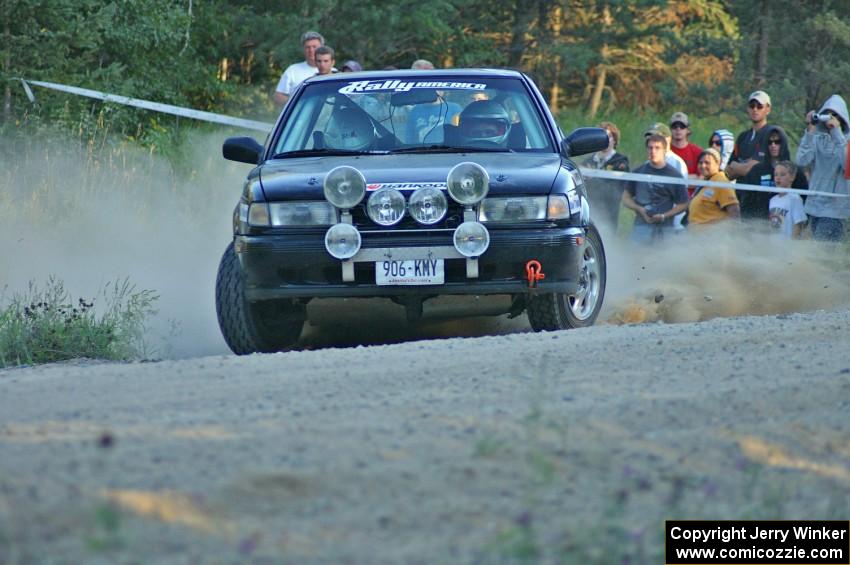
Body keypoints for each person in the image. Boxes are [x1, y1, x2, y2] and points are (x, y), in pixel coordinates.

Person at [796, 94, 850, 241]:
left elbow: (847, 166)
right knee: (813, 253)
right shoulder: (817, 137)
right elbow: (801, 161)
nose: (830, 118)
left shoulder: (847, 140)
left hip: (834, 210)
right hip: (814, 206)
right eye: (827, 114)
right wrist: (810, 130)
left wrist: (837, 133)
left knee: (822, 253)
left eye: (835, 115)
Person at [621, 134, 689, 243]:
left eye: (657, 148)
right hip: (641, 227)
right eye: (650, 147)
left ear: (664, 150)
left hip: (665, 229)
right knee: (634, 257)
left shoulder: (674, 175)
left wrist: (664, 216)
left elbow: (684, 204)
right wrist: (639, 209)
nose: (653, 151)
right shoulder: (638, 172)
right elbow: (625, 198)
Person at [738, 126, 808, 220]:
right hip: (759, 225)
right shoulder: (757, 170)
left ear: (783, 144)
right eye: (769, 142)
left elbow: (803, 199)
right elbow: (747, 200)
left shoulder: (795, 171)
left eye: (777, 142)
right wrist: (748, 223)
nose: (773, 145)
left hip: (787, 224)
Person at [581, 121, 630, 228]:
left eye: (609, 136)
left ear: (615, 140)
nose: (606, 140)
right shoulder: (588, 162)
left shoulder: (621, 163)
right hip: (589, 213)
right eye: (602, 137)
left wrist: (592, 178)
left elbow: (615, 191)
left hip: (609, 215)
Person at [687, 148, 740, 229]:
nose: (703, 166)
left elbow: (734, 213)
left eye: (707, 163)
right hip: (697, 237)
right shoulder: (707, 181)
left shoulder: (721, 182)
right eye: (700, 163)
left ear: (718, 164)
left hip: (713, 237)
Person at [726, 90, 772, 180]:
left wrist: (735, 165)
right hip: (741, 191)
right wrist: (743, 166)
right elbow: (729, 173)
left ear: (768, 109)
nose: (755, 109)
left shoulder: (770, 134)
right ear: (748, 109)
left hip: (761, 191)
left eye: (759, 106)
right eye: (752, 106)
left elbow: (750, 169)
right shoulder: (742, 137)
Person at [275, 31, 325, 105]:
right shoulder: (292, 71)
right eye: (308, 47)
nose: (311, 50)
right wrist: (298, 104)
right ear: (303, 49)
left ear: (322, 48)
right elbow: (278, 97)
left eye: (314, 47)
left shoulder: (334, 73)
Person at [768, 161, 807, 239]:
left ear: (792, 177)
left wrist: (792, 245)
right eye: (776, 175)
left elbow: (798, 224)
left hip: (787, 245)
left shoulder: (795, 198)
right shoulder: (772, 200)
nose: (778, 178)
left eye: (782, 174)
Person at [669, 111, 703, 184]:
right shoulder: (664, 151)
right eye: (675, 126)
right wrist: (690, 178)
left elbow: (701, 180)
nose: (678, 129)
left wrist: (674, 180)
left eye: (682, 126)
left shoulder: (697, 152)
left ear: (687, 130)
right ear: (670, 130)